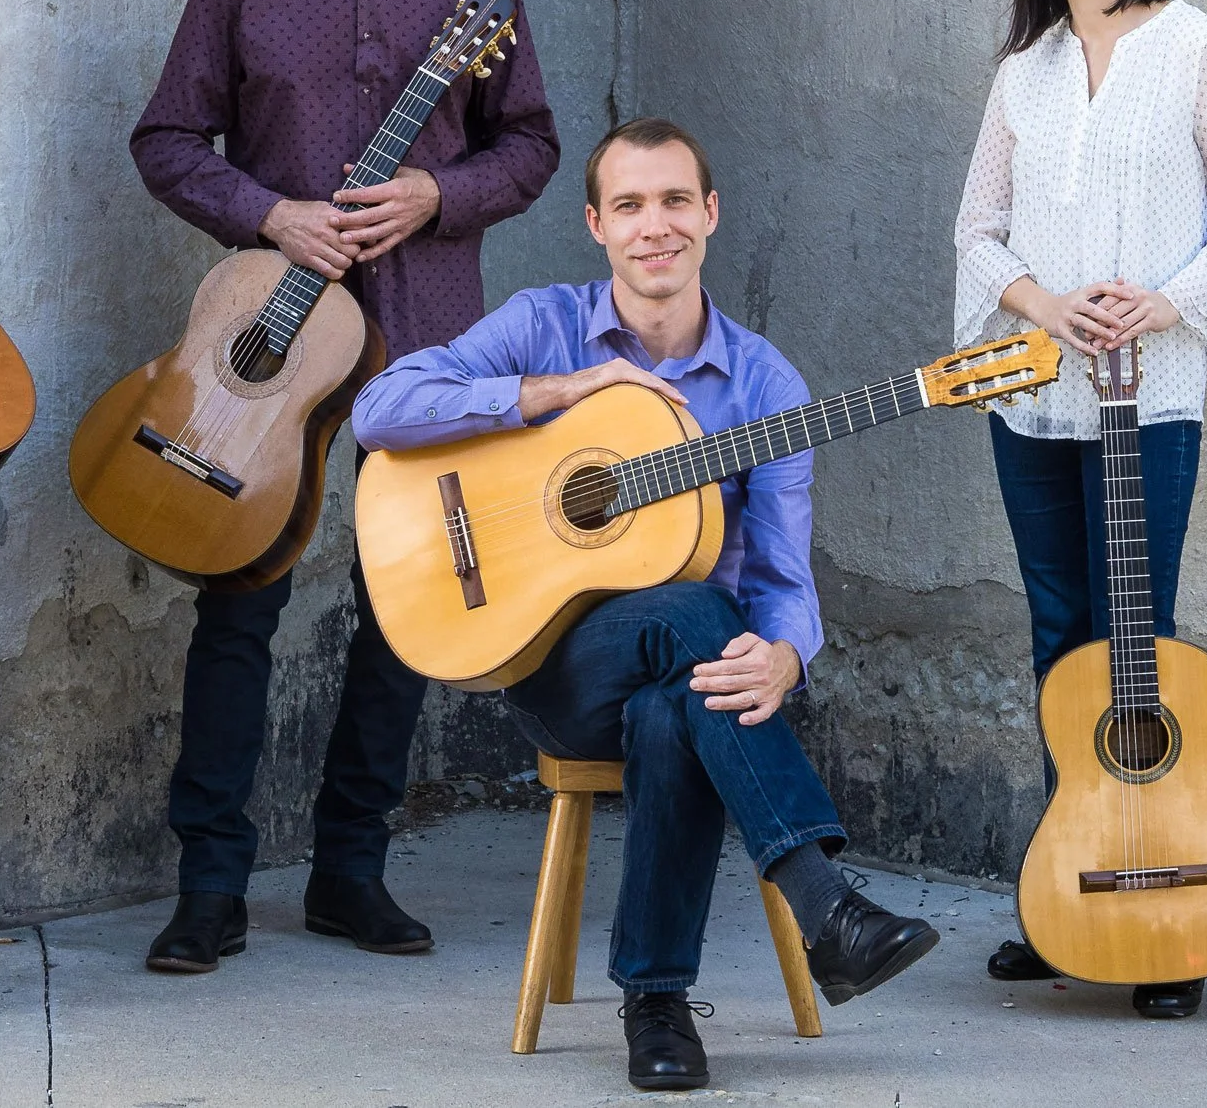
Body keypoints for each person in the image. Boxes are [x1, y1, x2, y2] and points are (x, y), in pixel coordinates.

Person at [352, 119, 939, 1093]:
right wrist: (559, 392)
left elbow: (785, 585)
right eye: (629, 205)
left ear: (710, 213)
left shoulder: (766, 389)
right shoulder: (546, 323)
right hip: (549, 663)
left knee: (678, 696)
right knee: (688, 612)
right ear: (595, 223)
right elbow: (382, 409)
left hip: (694, 678)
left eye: (674, 200)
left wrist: (787, 657)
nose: (653, 226)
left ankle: (656, 1008)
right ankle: (822, 898)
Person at [130, 0, 560, 974]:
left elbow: (530, 140)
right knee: (240, 596)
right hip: (267, 335)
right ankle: (209, 883)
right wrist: (268, 213)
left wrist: (439, 192)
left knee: (402, 604)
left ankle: (349, 871)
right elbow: (165, 140)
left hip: (424, 331)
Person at [952, 0, 1207, 1021]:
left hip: (1151, 389)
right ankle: (1066, 889)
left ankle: (1161, 911)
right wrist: (1042, 302)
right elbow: (976, 231)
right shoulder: (1023, 71)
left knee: (1140, 636)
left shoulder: (1198, 50)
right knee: (1056, 637)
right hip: (1033, 387)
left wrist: (1157, 298)